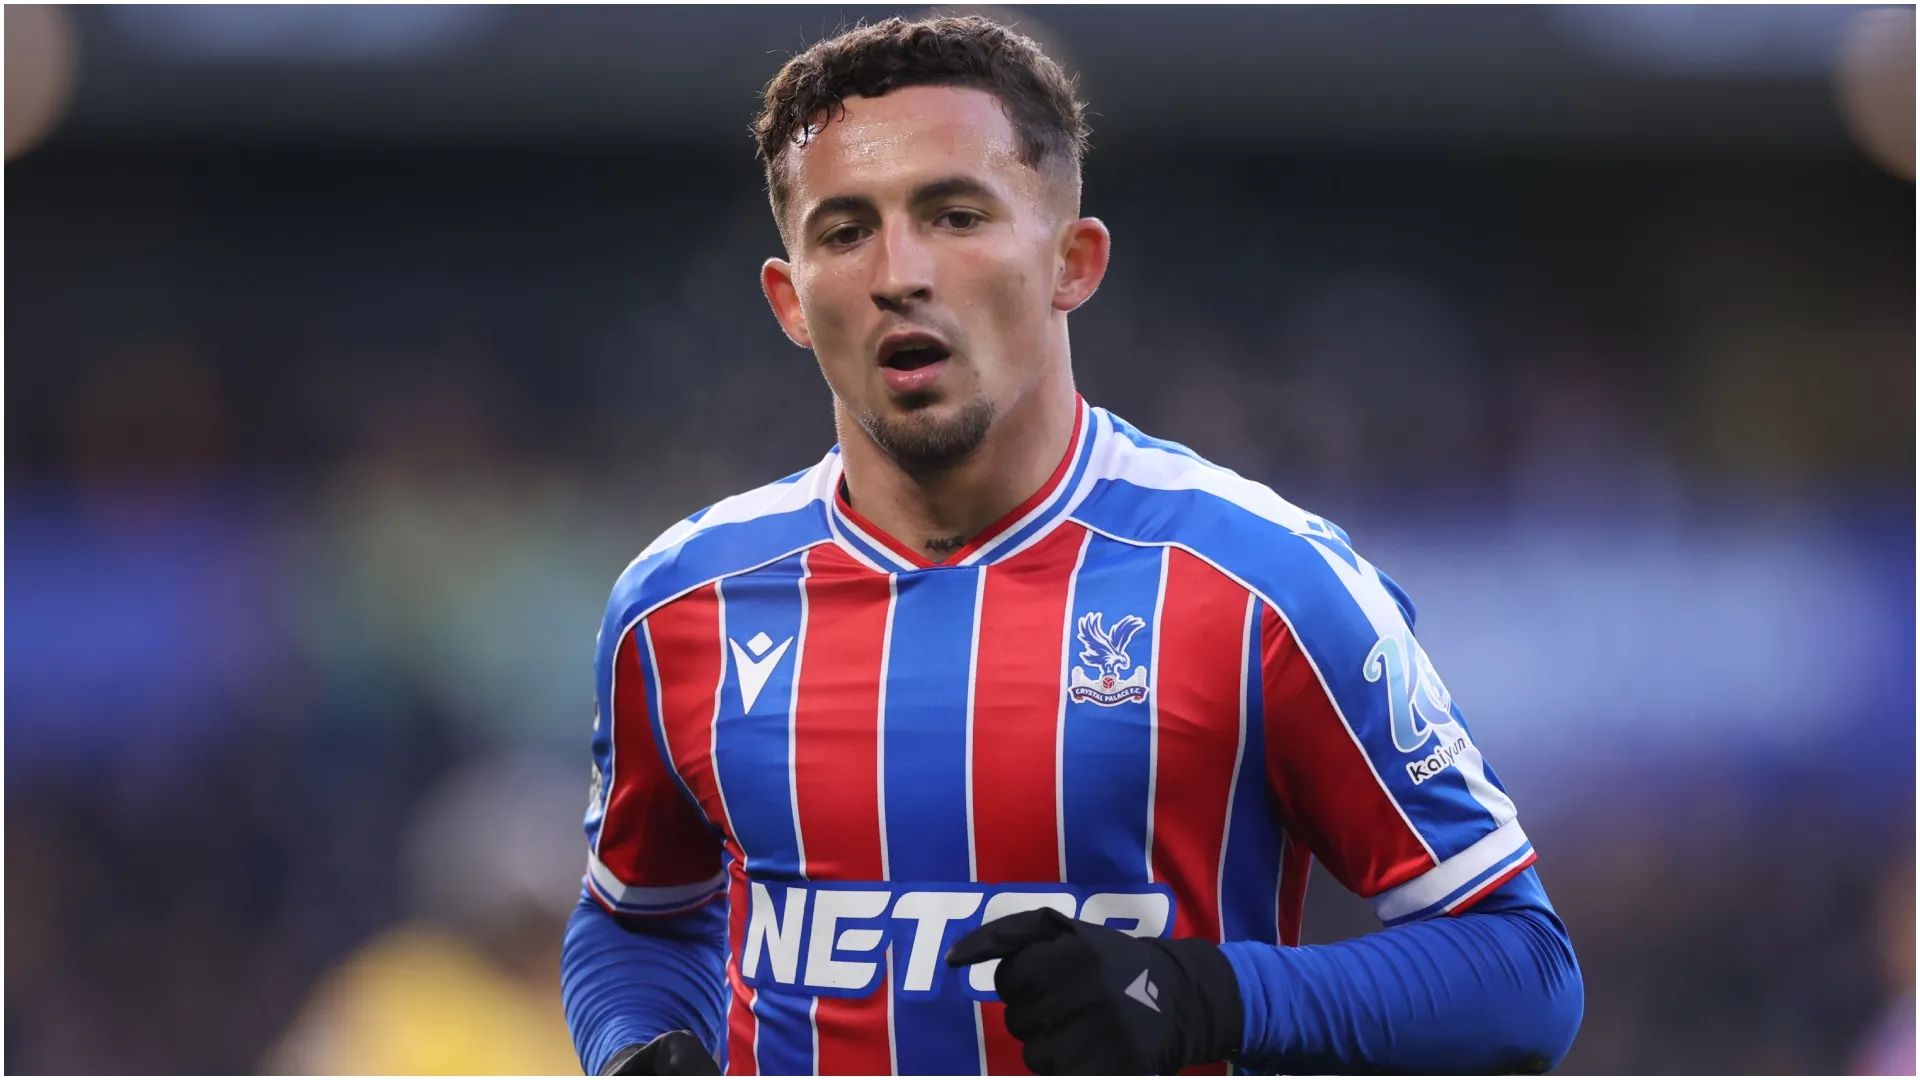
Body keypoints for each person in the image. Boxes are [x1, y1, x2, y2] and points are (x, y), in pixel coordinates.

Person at [561, 15, 1583, 1075]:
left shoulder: (1263, 587)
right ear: (791, 300)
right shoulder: (680, 607)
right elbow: (635, 921)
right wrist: (634, 1050)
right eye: (844, 231)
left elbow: (1521, 972)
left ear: (1072, 262)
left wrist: (1202, 993)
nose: (899, 272)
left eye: (956, 215)